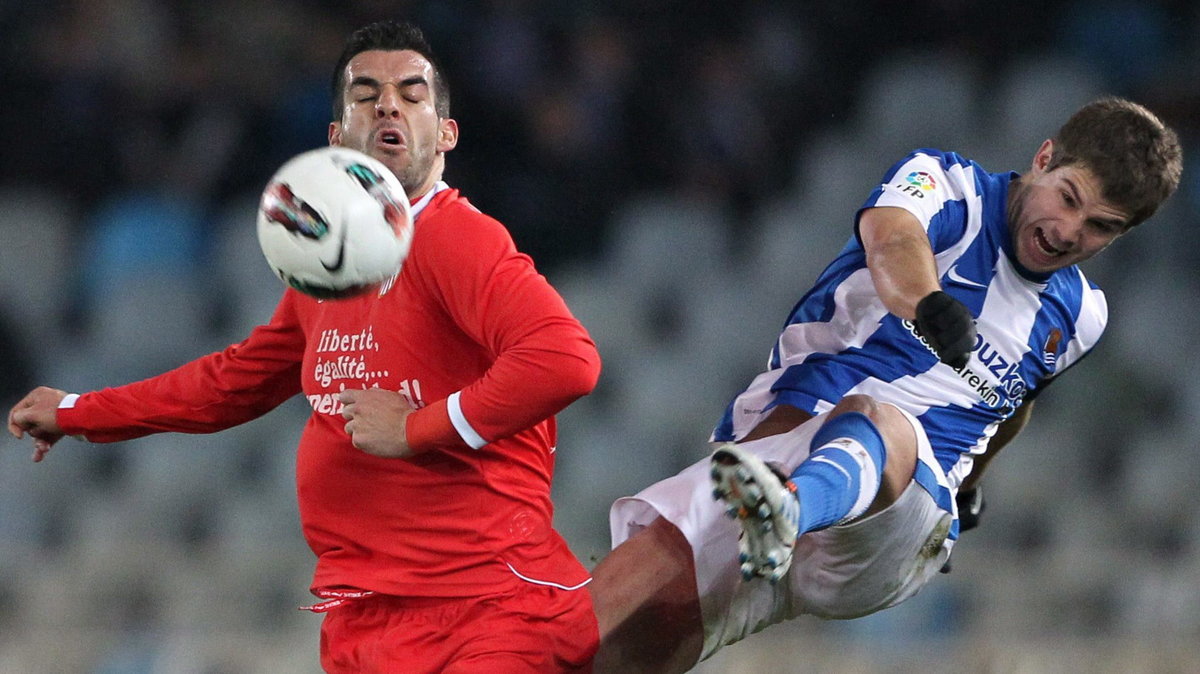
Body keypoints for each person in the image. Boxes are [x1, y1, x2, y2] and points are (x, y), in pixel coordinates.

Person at [7, 20, 602, 673]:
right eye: (366, 93)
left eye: (411, 93)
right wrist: (77, 412)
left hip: (483, 614)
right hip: (368, 620)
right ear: (336, 139)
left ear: (447, 134)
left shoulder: (459, 238)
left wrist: (416, 428)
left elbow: (565, 360)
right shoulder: (333, 271)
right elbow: (233, 382)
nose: (387, 105)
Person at [590, 97, 1182, 673]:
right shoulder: (947, 185)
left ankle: (792, 509)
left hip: (900, 525)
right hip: (772, 457)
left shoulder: (1081, 317)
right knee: (592, 632)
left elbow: (1015, 405)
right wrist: (926, 302)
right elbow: (894, 239)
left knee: (875, 417)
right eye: (1069, 199)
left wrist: (970, 483)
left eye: (1100, 226)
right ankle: (779, 512)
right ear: (1045, 158)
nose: (1068, 231)